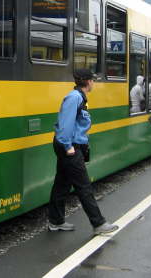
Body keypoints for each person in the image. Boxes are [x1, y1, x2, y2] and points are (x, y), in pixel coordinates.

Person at [48, 68, 119, 235]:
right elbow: (65, 124)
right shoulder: (74, 98)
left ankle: (55, 221)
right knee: (84, 185)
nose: (94, 82)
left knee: (62, 184)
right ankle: (99, 223)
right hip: (69, 145)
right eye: (93, 80)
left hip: (70, 144)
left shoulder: (78, 96)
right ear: (88, 82)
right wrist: (68, 147)